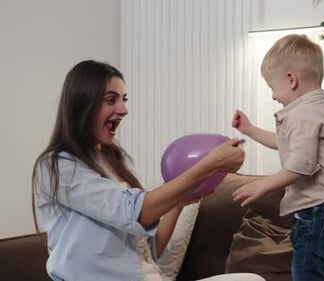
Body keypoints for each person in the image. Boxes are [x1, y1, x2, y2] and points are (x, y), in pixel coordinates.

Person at [32, 60, 265, 281]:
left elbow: (153, 250)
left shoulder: (117, 160)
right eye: (111, 100)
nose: (123, 109)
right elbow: (134, 211)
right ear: (83, 104)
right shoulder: (56, 167)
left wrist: (179, 202)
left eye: (124, 99)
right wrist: (209, 164)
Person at [231, 34, 324, 281]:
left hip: (322, 209)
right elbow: (287, 145)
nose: (273, 96)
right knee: (314, 261)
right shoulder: (312, 110)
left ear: (291, 79)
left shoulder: (304, 114)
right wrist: (249, 129)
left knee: (305, 271)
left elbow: (302, 164)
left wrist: (263, 185)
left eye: (271, 87)